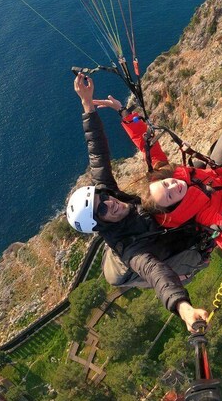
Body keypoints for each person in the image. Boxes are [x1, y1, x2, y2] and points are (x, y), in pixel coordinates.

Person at [93, 95, 222, 316]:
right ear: (173, 206)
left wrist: (124, 113)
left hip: (213, 176)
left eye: (167, 184)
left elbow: (147, 145)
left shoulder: (164, 176)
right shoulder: (200, 213)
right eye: (171, 196)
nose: (174, 186)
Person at [66, 73, 208, 330]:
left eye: (104, 197)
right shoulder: (131, 250)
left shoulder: (109, 197)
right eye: (103, 209)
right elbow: (157, 275)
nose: (110, 202)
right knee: (201, 234)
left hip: (161, 222)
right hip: (173, 244)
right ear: (100, 225)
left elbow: (97, 154)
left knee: (196, 173)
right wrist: (184, 308)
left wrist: (87, 105)